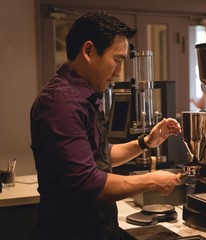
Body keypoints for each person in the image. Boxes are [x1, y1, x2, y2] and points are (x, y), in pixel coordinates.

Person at [30, 12, 182, 240]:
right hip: (71, 233)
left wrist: (145, 142)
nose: (119, 71)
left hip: (97, 228)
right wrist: (152, 180)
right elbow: (88, 181)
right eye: (117, 60)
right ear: (89, 51)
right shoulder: (60, 102)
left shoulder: (86, 94)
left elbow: (100, 155)